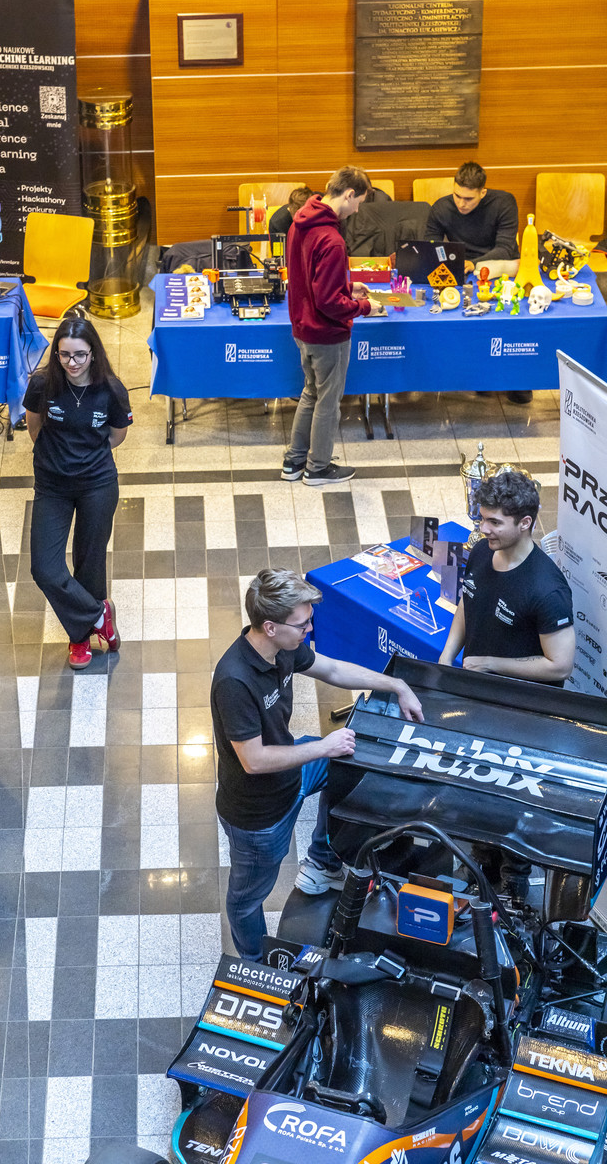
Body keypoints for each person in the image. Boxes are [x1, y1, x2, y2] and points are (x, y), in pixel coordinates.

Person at [212, 568, 424, 961]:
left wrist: (398, 685)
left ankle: (324, 862)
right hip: (259, 815)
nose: (310, 630)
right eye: (303, 624)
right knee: (246, 899)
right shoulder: (235, 680)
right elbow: (254, 760)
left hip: (291, 774)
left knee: (348, 763)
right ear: (271, 627)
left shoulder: (282, 648)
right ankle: (256, 966)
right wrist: (324, 746)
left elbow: (333, 670)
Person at [438, 470, 574, 900]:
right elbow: (468, 602)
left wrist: (491, 664)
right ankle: (480, 862)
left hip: (522, 718)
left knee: (510, 802)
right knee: (477, 790)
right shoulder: (482, 551)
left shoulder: (546, 588)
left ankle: (513, 883)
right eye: (483, 518)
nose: (484, 528)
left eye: (494, 521)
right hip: (478, 702)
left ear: (525, 522)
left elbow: (559, 665)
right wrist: (447, 657)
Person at [23, 316, 132, 670]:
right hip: (52, 485)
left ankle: (80, 637)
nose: (72, 363)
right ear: (56, 354)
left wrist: (85, 458)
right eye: (65, 355)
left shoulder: (111, 390)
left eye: (80, 355)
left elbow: (116, 436)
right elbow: (35, 427)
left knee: (90, 561)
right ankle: (99, 615)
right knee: (45, 568)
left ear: (93, 353)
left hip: (97, 484)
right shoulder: (42, 384)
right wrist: (58, 458)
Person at [281, 167, 382, 487]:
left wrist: (346, 287)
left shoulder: (299, 223)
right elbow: (328, 303)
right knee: (327, 401)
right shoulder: (332, 239)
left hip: (302, 327)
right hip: (327, 335)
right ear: (349, 194)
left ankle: (294, 461)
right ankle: (318, 468)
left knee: (311, 393)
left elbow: (307, 279)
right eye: (359, 203)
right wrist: (365, 307)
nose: (357, 210)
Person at [425, 162, 528, 404]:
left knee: (509, 320)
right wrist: (449, 260)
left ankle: (518, 379)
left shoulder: (504, 203)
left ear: (483, 192)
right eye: (457, 196)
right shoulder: (441, 208)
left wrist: (474, 263)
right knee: (465, 322)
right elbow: (431, 246)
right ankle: (479, 375)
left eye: (469, 199)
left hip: (499, 267)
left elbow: (505, 247)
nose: (461, 203)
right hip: (462, 267)